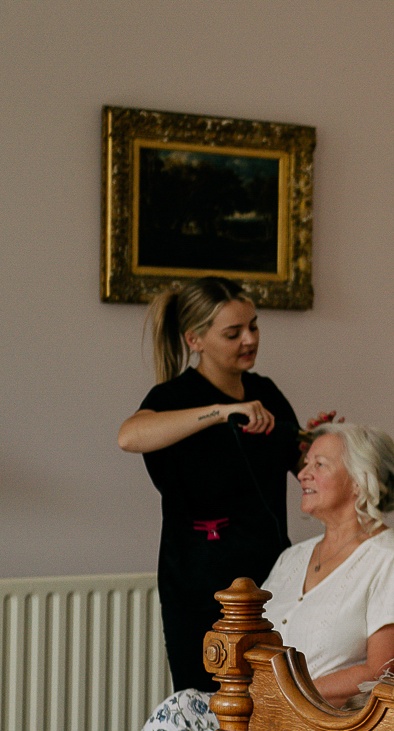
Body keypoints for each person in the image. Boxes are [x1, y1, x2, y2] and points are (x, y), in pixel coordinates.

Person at [116, 423, 394, 731]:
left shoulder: (392, 561)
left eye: (320, 464)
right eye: (306, 464)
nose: (302, 473)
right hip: (255, 715)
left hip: (320, 725)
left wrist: (287, 697)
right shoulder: (293, 558)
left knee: (181, 711)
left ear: (360, 479)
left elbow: (382, 675)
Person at [118, 278, 300, 694]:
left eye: (253, 326)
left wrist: (318, 441)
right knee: (209, 704)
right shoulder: (174, 396)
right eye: (233, 333)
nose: (250, 339)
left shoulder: (265, 391)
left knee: (273, 705)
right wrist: (221, 412)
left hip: (272, 574)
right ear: (195, 339)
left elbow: (298, 461)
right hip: (201, 585)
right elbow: (129, 436)